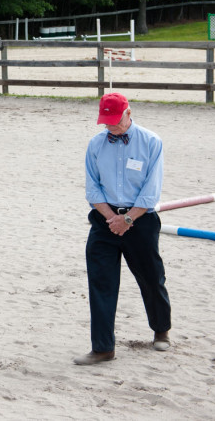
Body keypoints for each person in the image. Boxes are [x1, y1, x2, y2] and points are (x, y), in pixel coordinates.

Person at [74, 93, 171, 365]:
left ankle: (161, 330)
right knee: (101, 283)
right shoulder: (96, 144)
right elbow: (92, 187)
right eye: (105, 122)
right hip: (105, 222)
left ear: (129, 113)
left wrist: (127, 219)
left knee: (151, 278)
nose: (110, 127)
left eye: (114, 121)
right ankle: (103, 348)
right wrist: (111, 218)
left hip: (140, 221)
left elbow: (151, 190)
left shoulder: (151, 142)